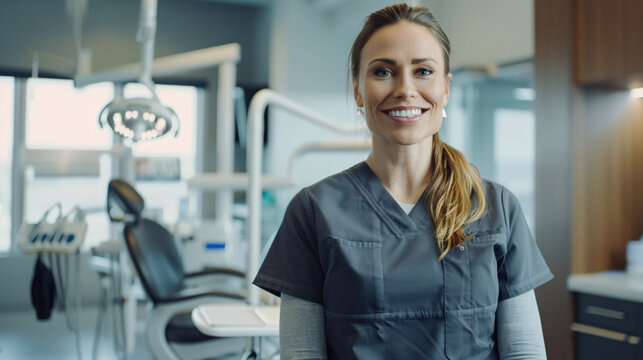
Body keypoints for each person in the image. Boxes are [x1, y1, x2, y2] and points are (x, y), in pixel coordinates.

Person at [253, 3, 553, 359]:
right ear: (358, 91)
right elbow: (301, 354)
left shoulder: (496, 208)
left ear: (446, 88)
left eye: (423, 71)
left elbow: (524, 351)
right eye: (383, 72)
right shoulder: (312, 211)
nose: (405, 89)